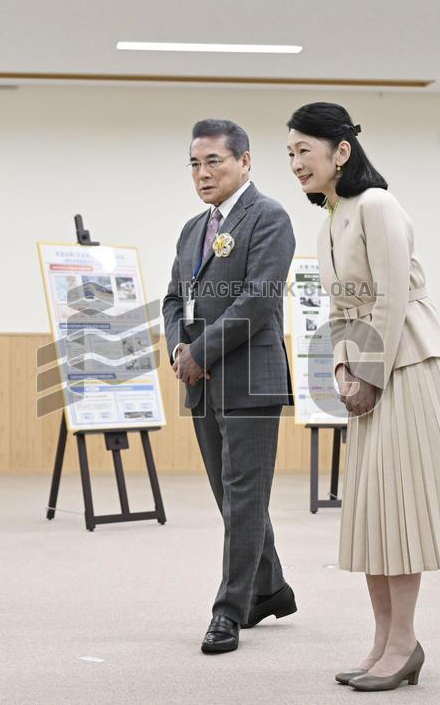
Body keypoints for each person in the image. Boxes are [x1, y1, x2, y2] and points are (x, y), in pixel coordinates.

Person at [286, 102, 440, 691]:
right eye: (289, 154)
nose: (295, 163)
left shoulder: (378, 205)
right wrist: (343, 370)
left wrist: (369, 374)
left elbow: (391, 298)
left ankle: (405, 643)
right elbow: (340, 312)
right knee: (370, 512)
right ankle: (384, 641)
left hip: (410, 366)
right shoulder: (328, 221)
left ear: (341, 151)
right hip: (368, 370)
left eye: (303, 151)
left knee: (401, 509)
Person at [162, 119, 297, 654]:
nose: (203, 173)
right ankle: (270, 589)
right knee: (231, 494)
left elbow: (259, 301)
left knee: (244, 497)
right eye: (195, 163)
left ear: (245, 161)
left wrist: (200, 352)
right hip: (200, 380)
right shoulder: (193, 229)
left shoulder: (269, 217)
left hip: (248, 380)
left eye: (214, 161)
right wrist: (179, 348)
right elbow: (174, 299)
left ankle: (229, 612)